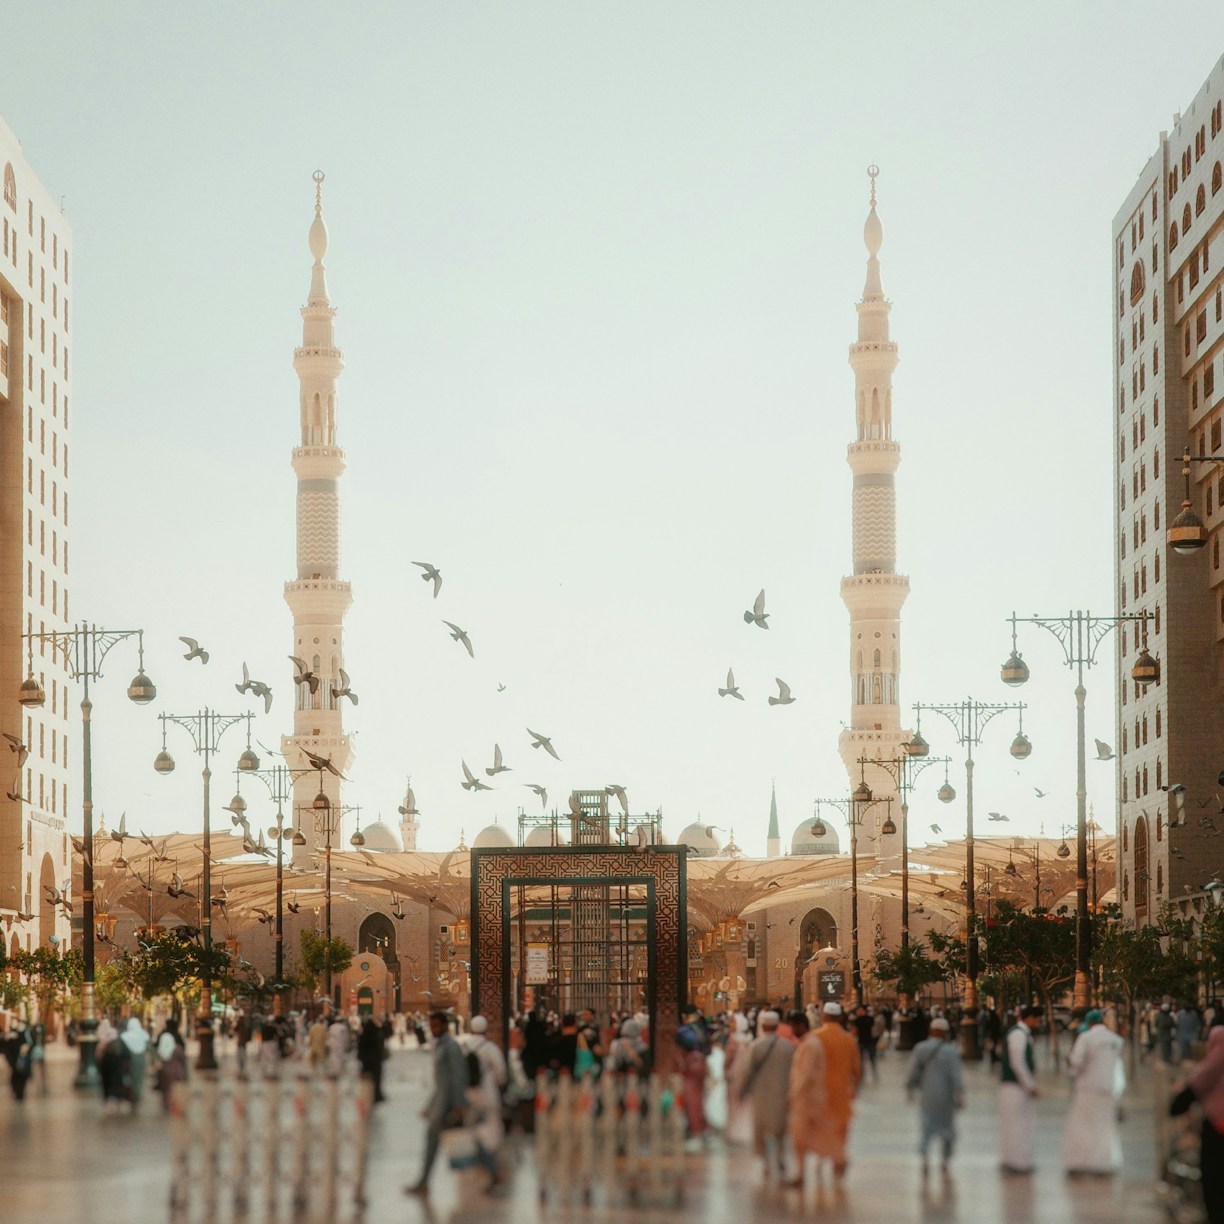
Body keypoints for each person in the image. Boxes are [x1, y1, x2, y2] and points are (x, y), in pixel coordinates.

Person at [790, 1001, 861, 1182]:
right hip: (841, 1094)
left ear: (823, 1016)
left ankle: (818, 1163)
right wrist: (855, 1090)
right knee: (839, 1130)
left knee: (815, 1130)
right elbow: (857, 1071)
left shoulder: (815, 1037)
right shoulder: (849, 1039)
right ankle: (838, 1160)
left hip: (818, 1093)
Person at [406, 1010, 469, 1196]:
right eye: (431, 1026)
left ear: (444, 1026)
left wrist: (458, 1104)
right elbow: (441, 1081)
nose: (433, 1029)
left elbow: (458, 1076)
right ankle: (423, 1181)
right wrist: (430, 1106)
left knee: (472, 1140)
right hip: (441, 1104)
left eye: (436, 1026)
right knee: (432, 1140)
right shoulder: (441, 1046)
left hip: (449, 1104)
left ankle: (495, 1172)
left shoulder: (451, 1046)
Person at [1171, 1022, 1224, 1224]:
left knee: (1214, 1180)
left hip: (1217, 1130)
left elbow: (1196, 1087)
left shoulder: (1214, 1065)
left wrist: (1177, 1105)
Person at [1061, 1009, 1125, 1174]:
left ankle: (1080, 1163)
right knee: (1104, 1127)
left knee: (1082, 1126)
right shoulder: (1116, 1040)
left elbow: (1076, 1063)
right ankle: (1103, 1163)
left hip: (1087, 1089)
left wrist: (1070, 1071)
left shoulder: (1085, 1038)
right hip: (1107, 1088)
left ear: (1089, 1023)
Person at [906, 1017, 964, 1175]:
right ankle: (945, 1161)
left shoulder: (920, 1048)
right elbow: (956, 1075)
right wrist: (959, 1095)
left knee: (927, 1127)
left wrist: (910, 1089)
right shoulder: (951, 1052)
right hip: (946, 1097)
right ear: (945, 1034)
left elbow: (913, 1072)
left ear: (931, 1031)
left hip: (928, 1096)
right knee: (948, 1129)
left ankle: (925, 1157)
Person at [745, 1010, 796, 1179]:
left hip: (761, 1095)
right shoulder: (788, 1047)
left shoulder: (755, 1046)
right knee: (780, 1130)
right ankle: (780, 1158)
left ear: (763, 1025)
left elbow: (747, 1071)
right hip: (782, 1093)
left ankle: (767, 1163)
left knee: (762, 1129)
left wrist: (742, 1090)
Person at [466, 1016, 509, 1192]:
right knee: (491, 1129)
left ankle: (479, 1160)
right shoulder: (491, 1048)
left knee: (472, 1129)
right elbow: (501, 1074)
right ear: (485, 1030)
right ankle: (492, 1164)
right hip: (488, 1094)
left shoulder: (463, 1046)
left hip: (468, 1095)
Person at [999, 1005, 1041, 1174]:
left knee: (1020, 1124)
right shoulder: (1018, 1034)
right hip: (1014, 1087)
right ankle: (1017, 1163)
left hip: (1017, 1087)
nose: (1039, 1023)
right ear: (1029, 1018)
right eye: (1037, 1019)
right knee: (1017, 1125)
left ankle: (1016, 1161)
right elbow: (1017, 1061)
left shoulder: (1022, 1034)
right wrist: (1029, 1084)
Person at [675, 1007, 709, 1148]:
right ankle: (702, 1128)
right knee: (699, 1098)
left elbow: (680, 1047)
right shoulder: (702, 1028)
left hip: (690, 1065)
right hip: (701, 1063)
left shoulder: (684, 1031)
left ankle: (695, 1131)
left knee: (691, 1099)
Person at [156, 1018, 187, 1112]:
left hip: (164, 1067)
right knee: (173, 1087)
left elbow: (158, 1046)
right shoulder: (177, 1036)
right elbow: (183, 1055)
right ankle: (172, 1103)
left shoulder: (163, 1034)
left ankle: (166, 1102)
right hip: (176, 1069)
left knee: (166, 1087)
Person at [120, 1017, 152, 1108]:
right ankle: (136, 1095)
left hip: (128, 1059)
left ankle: (131, 1095)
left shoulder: (125, 1035)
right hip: (141, 1059)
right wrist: (155, 1059)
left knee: (130, 1077)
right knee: (139, 1077)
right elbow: (149, 1047)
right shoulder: (143, 1034)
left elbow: (121, 1049)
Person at [357, 1016, 387, 1103]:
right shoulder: (376, 1036)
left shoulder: (363, 1037)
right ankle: (377, 1095)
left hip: (366, 1063)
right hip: (376, 1062)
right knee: (376, 1080)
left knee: (368, 1082)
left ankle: (369, 1096)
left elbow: (360, 1050)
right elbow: (379, 1048)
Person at [2, 1018, 34, 1101]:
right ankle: (18, 1092)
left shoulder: (24, 1034)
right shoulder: (11, 1035)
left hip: (21, 1060)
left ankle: (20, 1093)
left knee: (20, 1077)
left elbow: (30, 1044)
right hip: (15, 1061)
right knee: (16, 1077)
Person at [853, 1004, 878, 1083]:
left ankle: (861, 1074)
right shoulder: (871, 1019)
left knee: (861, 1059)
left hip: (861, 1041)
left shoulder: (858, 1019)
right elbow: (874, 1028)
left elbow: (855, 1031)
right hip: (870, 1041)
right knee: (872, 1058)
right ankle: (874, 1073)